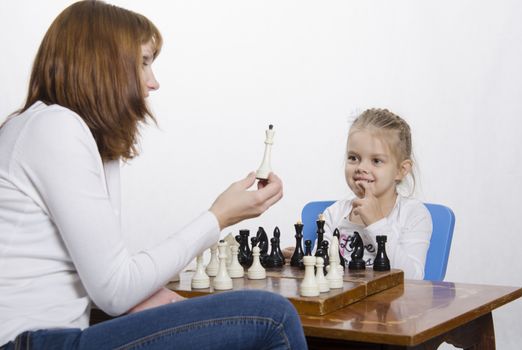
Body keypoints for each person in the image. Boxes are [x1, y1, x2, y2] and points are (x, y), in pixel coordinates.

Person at [0, 1, 307, 349]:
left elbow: (104, 281)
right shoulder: (54, 127)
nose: (154, 81)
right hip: (24, 343)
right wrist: (217, 217)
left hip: (53, 338)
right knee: (271, 316)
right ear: (104, 64)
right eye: (144, 62)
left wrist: (159, 303)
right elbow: (115, 289)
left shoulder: (72, 133)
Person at [322, 108, 432, 279]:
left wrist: (377, 224)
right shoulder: (333, 214)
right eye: (353, 158)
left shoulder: (414, 215)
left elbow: (412, 278)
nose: (361, 168)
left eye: (376, 161)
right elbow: (320, 269)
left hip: (391, 305)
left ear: (401, 170)